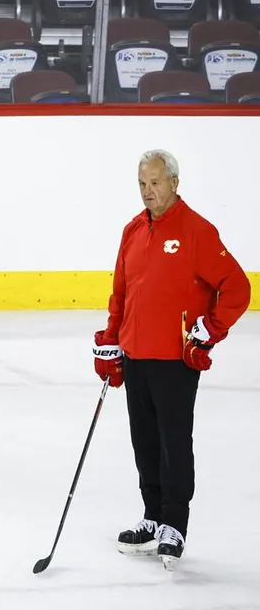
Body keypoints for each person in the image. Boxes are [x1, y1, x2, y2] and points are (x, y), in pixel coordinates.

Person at [94, 149, 250, 570]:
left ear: (175, 184)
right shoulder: (132, 231)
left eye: (156, 183)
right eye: (142, 184)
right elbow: (120, 295)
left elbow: (237, 287)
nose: (148, 191)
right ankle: (152, 516)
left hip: (174, 359)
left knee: (173, 441)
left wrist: (209, 330)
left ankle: (175, 524)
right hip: (136, 354)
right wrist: (112, 341)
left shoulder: (197, 230)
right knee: (143, 440)